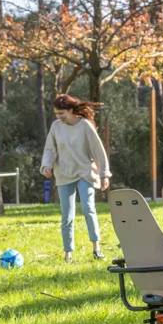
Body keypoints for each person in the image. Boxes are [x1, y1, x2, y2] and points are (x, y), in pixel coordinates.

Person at [40, 94, 110, 261]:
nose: (58, 117)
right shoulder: (56, 127)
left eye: (61, 113)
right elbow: (50, 149)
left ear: (71, 111)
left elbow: (97, 150)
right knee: (67, 215)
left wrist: (104, 174)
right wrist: (46, 166)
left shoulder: (85, 126)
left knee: (88, 209)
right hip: (64, 174)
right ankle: (68, 254)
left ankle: (96, 248)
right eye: (56, 114)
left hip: (84, 173)